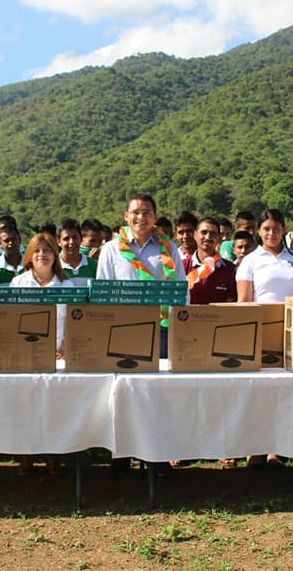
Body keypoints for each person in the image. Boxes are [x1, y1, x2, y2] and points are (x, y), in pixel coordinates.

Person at [96, 193, 186, 477]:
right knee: (120, 393)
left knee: (155, 393)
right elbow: (103, 291)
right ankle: (120, 455)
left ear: (154, 217)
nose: (140, 217)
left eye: (146, 212)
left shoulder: (168, 248)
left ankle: (156, 456)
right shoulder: (111, 250)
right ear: (126, 216)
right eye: (135, 212)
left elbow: (181, 289)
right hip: (123, 332)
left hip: (160, 330)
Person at [9, 233, 73, 476]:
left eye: (47, 250)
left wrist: (64, 348)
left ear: (55, 255)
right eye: (37, 250)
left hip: (57, 356)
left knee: (53, 408)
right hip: (25, 355)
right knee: (25, 407)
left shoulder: (66, 285)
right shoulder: (18, 283)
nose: (42, 255)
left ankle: (52, 456)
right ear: (30, 256)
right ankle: (25, 455)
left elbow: (72, 323)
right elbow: (11, 321)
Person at [236, 209, 293, 303]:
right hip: (260, 317)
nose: (271, 233)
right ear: (259, 231)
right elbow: (244, 301)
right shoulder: (249, 261)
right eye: (266, 229)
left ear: (283, 230)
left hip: (292, 317)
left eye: (276, 229)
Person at [186, 217, 237, 304]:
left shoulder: (229, 269)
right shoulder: (183, 265)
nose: (208, 237)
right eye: (204, 232)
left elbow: (230, 307)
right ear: (195, 235)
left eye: (213, 233)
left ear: (218, 238)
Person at [57, 219, 97, 287]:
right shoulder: (52, 266)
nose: (71, 242)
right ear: (58, 242)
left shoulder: (94, 266)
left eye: (75, 237)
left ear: (81, 239)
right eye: (66, 239)